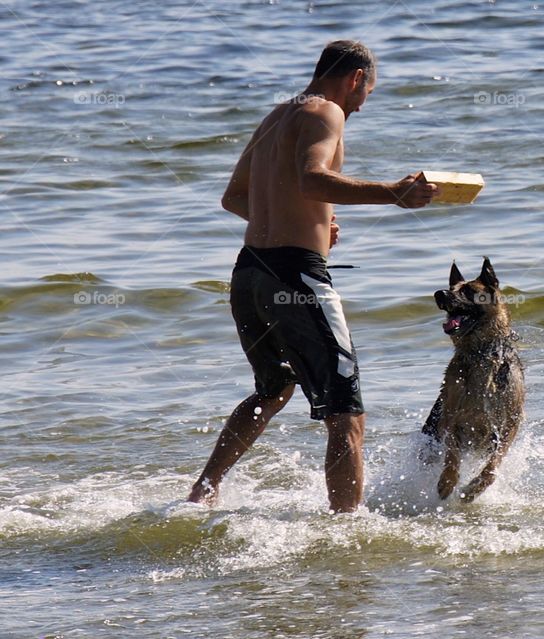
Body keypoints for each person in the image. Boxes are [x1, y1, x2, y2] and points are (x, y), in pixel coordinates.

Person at [187, 40, 437, 512]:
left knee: (273, 389)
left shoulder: (278, 114)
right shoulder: (326, 111)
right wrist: (394, 193)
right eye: (366, 94)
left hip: (251, 274)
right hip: (295, 277)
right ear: (356, 79)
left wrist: (307, 220)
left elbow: (234, 197)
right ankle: (346, 529)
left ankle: (202, 493)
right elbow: (311, 178)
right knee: (346, 415)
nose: (360, 107)